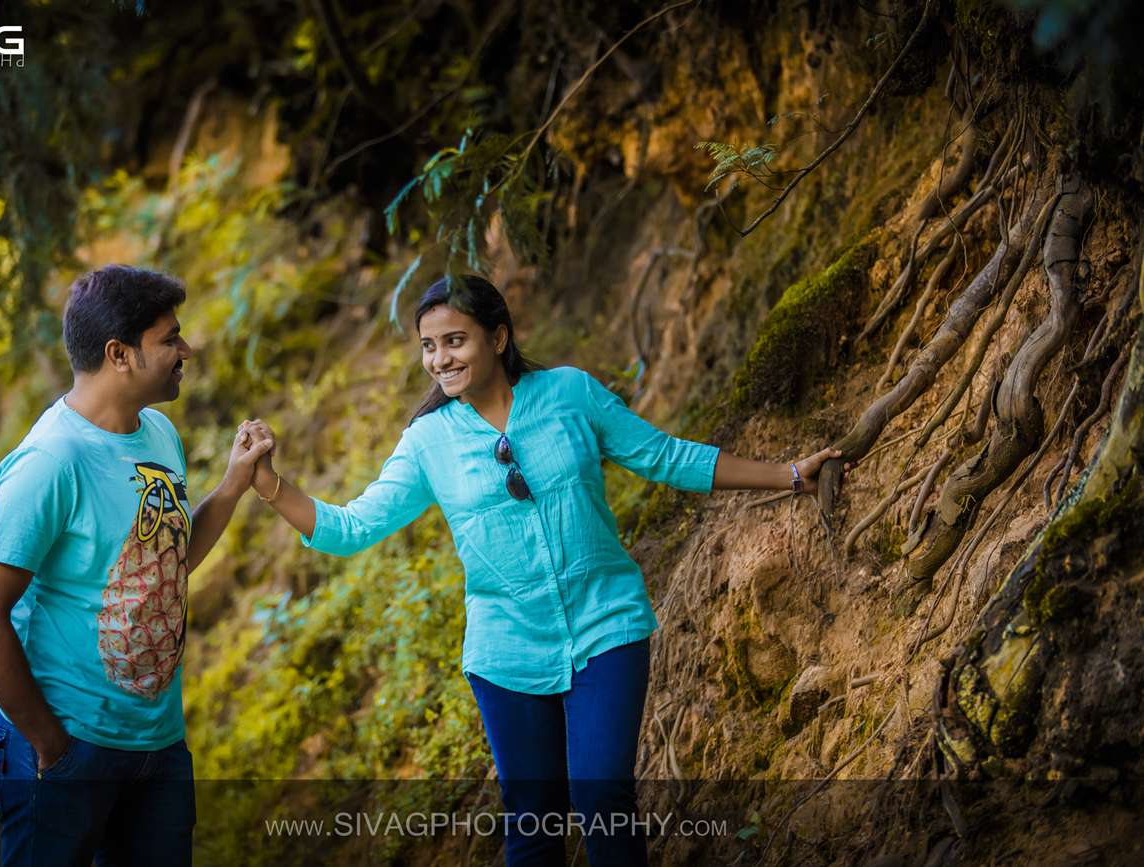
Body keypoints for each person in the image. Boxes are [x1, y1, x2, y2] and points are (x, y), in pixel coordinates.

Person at [239, 274, 846, 866]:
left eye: (455, 341)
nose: (439, 359)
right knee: (533, 820)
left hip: (606, 624)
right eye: (428, 346)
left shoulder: (570, 395)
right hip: (506, 651)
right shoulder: (428, 442)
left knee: (602, 794)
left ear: (498, 338)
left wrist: (790, 475)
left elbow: (663, 457)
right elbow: (352, 528)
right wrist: (270, 484)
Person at [0, 265, 273, 867]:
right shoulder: (51, 462)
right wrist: (49, 743)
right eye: (170, 338)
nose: (187, 349)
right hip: (68, 746)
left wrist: (231, 486)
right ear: (119, 354)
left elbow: (166, 566)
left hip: (157, 747)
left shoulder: (157, 432)